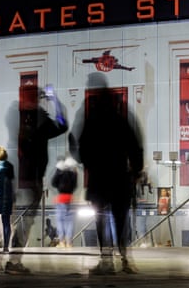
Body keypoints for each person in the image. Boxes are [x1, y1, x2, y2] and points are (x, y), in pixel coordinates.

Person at [71, 72, 144, 275]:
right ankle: (125, 258)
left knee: (101, 218)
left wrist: (85, 161)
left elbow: (80, 142)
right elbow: (134, 142)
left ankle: (106, 260)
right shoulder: (120, 113)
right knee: (121, 218)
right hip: (119, 174)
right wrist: (136, 169)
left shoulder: (90, 115)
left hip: (98, 175)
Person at [4, 83, 67, 274]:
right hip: (29, 179)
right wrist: (55, 100)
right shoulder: (37, 118)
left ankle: (12, 259)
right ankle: (13, 262)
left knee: (19, 220)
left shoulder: (13, 113)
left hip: (16, 178)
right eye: (38, 97)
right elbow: (62, 125)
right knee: (25, 221)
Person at [51, 155, 78, 248]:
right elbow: (75, 185)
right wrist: (75, 172)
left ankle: (62, 241)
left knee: (60, 221)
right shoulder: (73, 173)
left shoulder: (60, 172)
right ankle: (69, 242)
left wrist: (57, 171)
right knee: (69, 222)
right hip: (70, 199)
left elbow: (53, 183)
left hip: (60, 199)